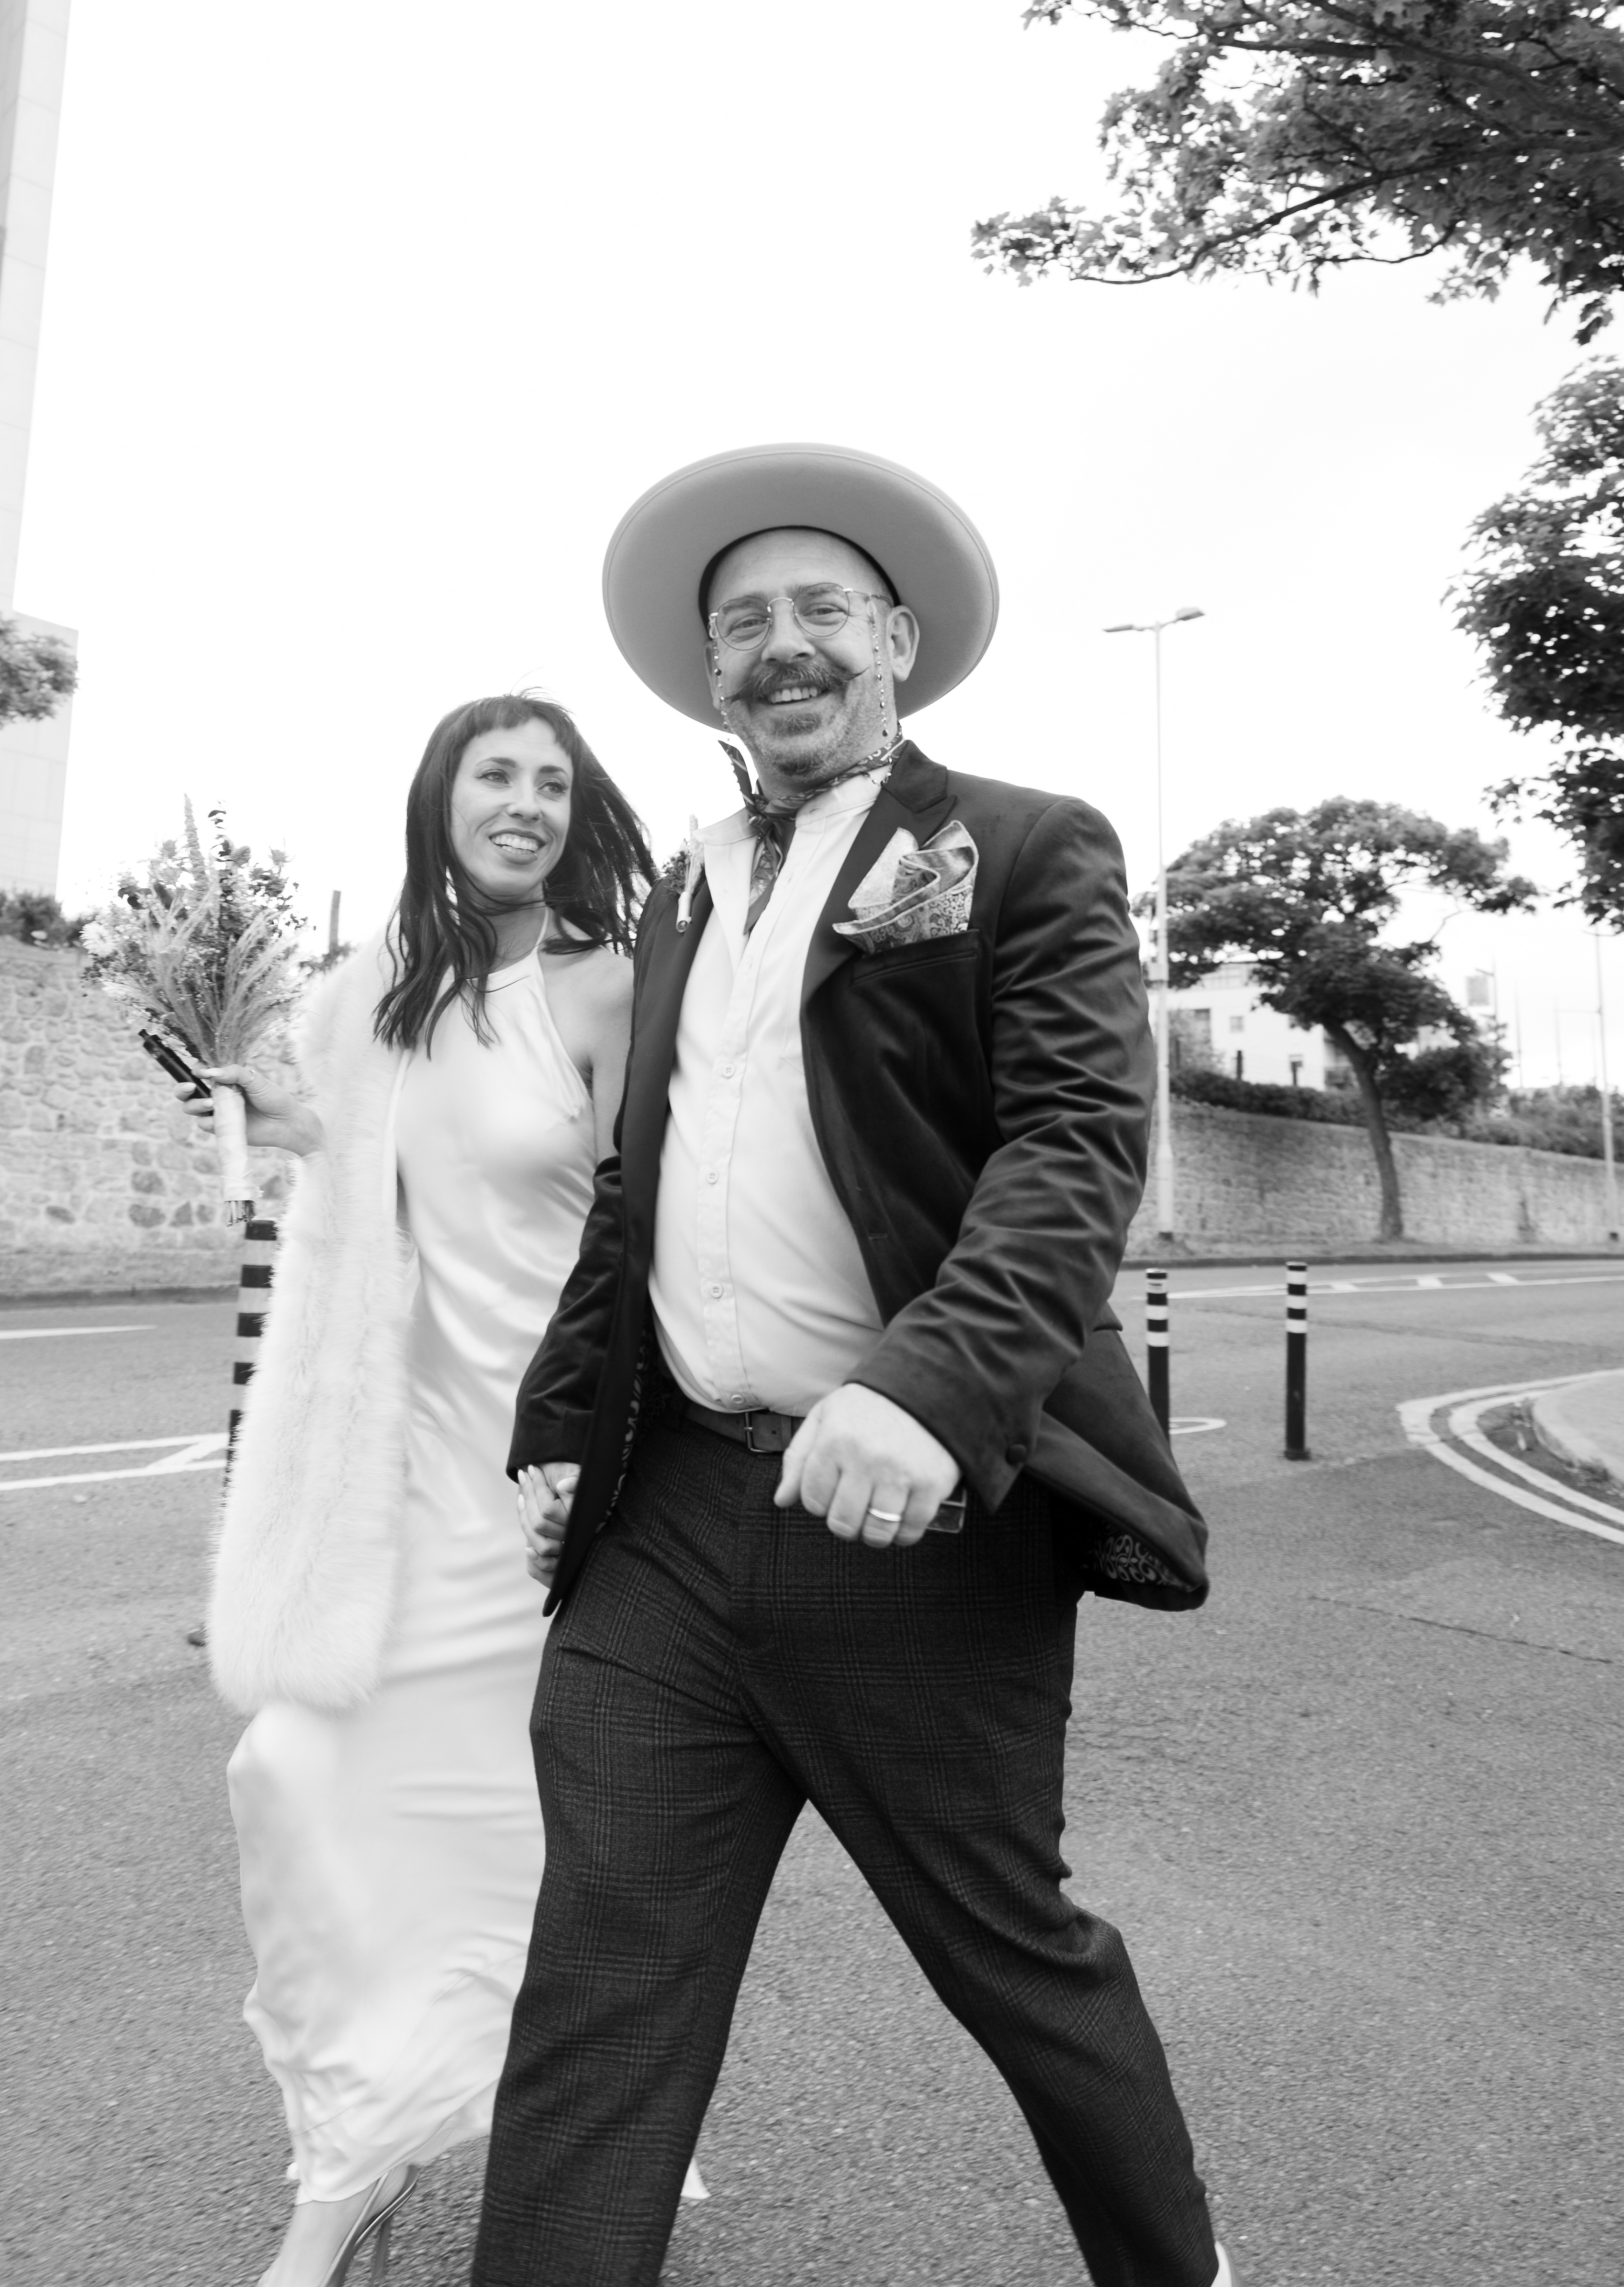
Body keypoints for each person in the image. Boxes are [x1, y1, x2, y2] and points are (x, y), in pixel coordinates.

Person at [481, 444, 1235, 2287]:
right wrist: (565, 1425)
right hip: (667, 1529)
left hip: (912, 1521)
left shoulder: (1024, 845)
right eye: (746, 623)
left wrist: (929, 1388)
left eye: (823, 608)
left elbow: (1073, 1145)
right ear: (711, 675)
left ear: (896, 641)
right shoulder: (680, 894)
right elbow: (639, 1185)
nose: (785, 644)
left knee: (1014, 1957)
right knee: (598, 1988)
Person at [194, 694, 686, 2287]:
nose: (527, 801)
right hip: (399, 1492)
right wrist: (288, 1124)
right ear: (441, 798)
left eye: (554, 781)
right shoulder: (372, 997)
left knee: (549, 1851)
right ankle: (351, 2160)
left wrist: (605, 1453)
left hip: (555, 1493)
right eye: (497, 774)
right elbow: (353, 1200)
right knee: (294, 1777)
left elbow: (649, 1228)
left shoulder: (605, 986)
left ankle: (578, 2155)